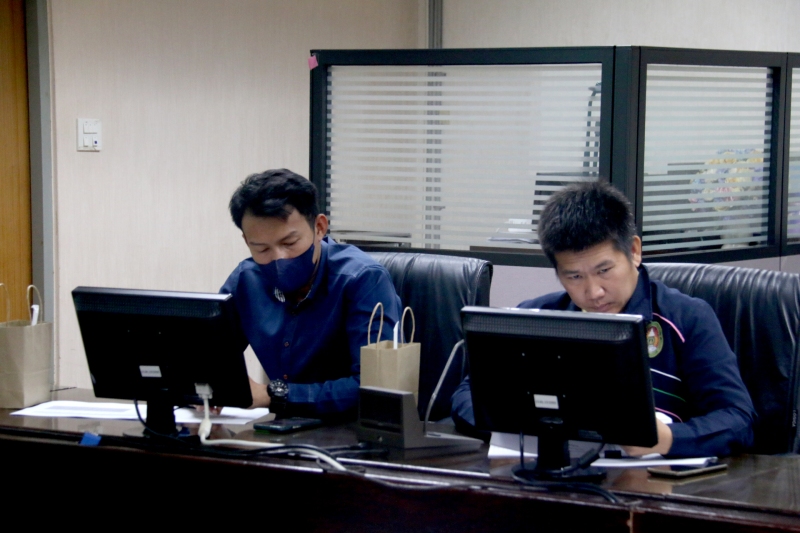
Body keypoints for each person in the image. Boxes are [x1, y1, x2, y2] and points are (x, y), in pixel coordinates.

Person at [452, 180, 756, 457]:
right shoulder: (537, 319)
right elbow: (467, 396)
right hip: (554, 476)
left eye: (604, 270)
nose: (594, 292)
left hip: (654, 484)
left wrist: (669, 439)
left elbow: (738, 419)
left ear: (634, 251)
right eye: (574, 276)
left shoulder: (687, 318)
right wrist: (516, 423)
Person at [221, 169, 402, 419]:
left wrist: (272, 395)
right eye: (261, 248)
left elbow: (375, 388)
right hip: (282, 429)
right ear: (247, 241)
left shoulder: (362, 279)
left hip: (352, 429)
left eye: (289, 243)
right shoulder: (246, 279)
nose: (279, 259)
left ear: (319, 228)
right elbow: (210, 354)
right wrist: (209, 387)